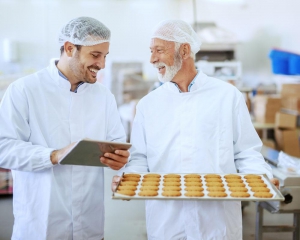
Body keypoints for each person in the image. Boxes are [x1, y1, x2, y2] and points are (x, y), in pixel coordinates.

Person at [112, 20, 279, 240]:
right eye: (151, 52)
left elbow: (246, 153)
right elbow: (140, 158)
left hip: (217, 223)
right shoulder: (147, 105)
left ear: (185, 50)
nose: (152, 59)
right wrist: (129, 180)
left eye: (159, 50)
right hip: (168, 222)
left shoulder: (227, 97)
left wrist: (262, 178)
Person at [0, 17, 129, 240]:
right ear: (70, 48)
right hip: (40, 227)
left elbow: (117, 145)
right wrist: (53, 155)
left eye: (105, 56)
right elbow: (4, 148)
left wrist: (120, 162)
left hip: (90, 226)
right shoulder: (25, 90)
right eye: (95, 55)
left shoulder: (103, 97)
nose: (102, 64)